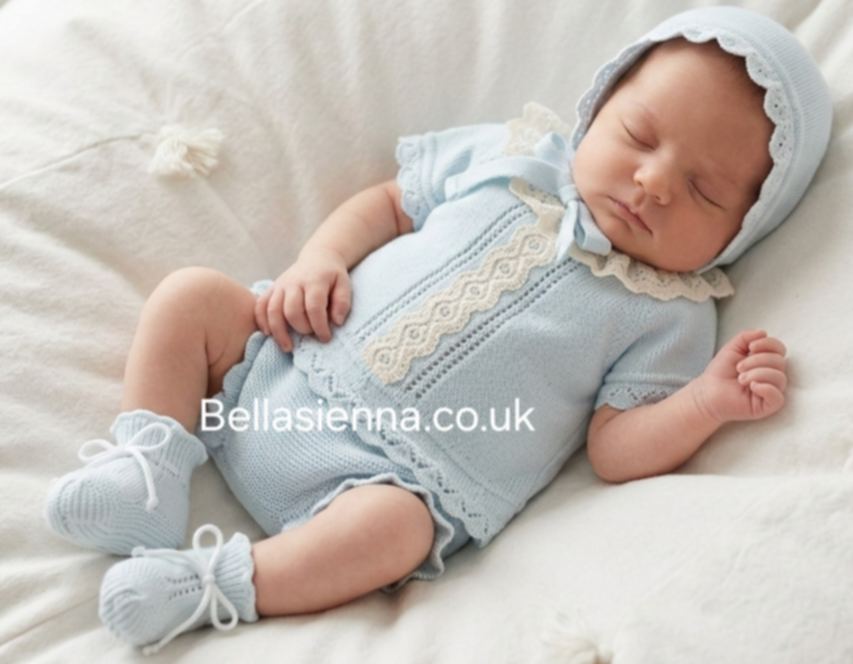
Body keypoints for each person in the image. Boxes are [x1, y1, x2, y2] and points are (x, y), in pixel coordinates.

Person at [43, 5, 832, 654]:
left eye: (702, 191)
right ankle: (145, 470)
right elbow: (391, 204)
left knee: (395, 533)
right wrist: (320, 259)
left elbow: (615, 447)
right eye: (637, 136)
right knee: (190, 298)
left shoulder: (669, 309)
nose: (652, 181)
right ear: (596, 108)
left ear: (744, 228)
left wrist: (704, 403)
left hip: (381, 484)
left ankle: (212, 584)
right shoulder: (512, 157)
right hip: (278, 360)